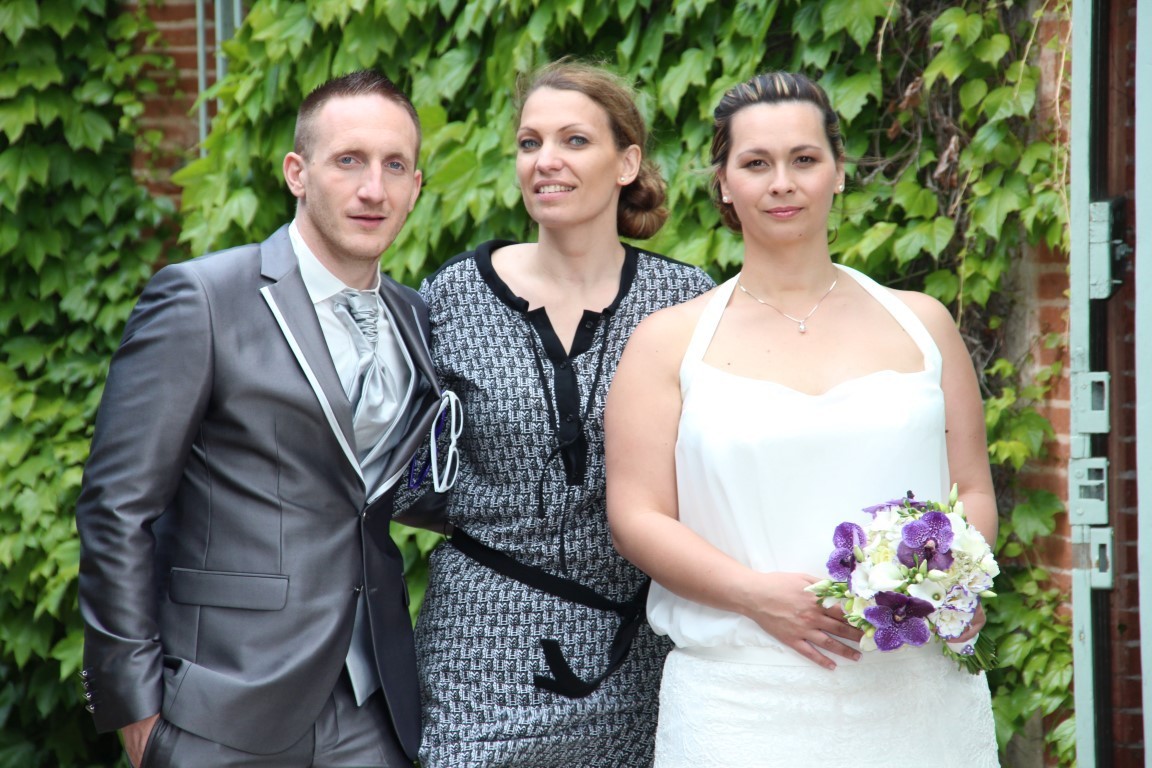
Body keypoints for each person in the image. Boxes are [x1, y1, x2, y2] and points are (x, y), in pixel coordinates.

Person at [605, 71, 1000, 767]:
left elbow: (971, 489)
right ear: (724, 183)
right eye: (756, 163)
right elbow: (637, 514)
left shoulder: (923, 325)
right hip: (742, 701)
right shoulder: (667, 342)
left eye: (804, 159)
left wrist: (954, 582)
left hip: (915, 695)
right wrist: (754, 595)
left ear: (839, 174)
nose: (781, 182)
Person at [76, 70, 454, 767]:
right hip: (223, 704)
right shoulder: (203, 299)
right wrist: (136, 707)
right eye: (349, 161)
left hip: (373, 707)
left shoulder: (416, 319)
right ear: (297, 173)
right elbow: (117, 507)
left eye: (394, 165)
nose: (374, 188)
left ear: (417, 187)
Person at [411, 60, 713, 766]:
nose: (545, 161)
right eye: (529, 142)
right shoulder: (453, 295)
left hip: (640, 651)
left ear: (626, 162)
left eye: (574, 141)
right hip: (479, 645)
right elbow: (416, 467)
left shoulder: (685, 301)